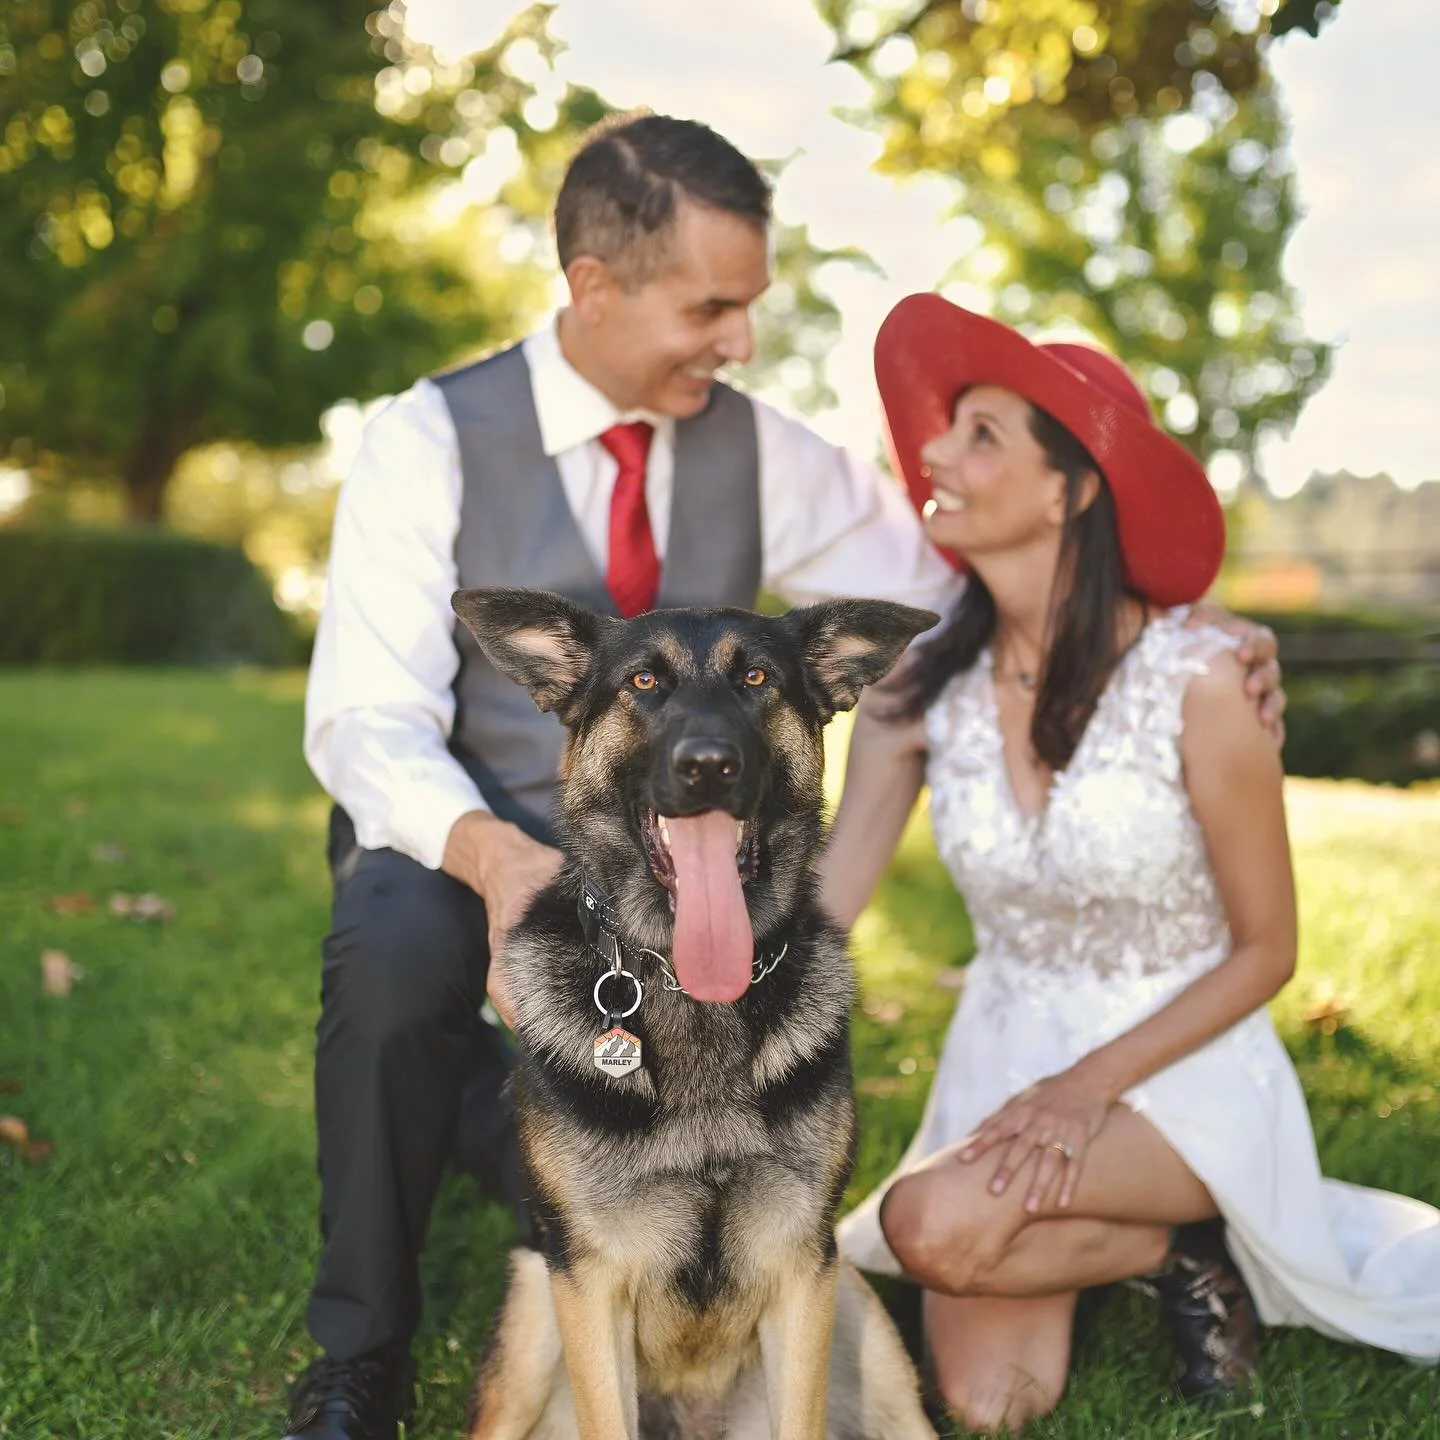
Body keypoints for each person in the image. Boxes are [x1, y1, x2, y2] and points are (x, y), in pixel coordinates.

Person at [290, 115, 1284, 1440]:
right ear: (596, 284)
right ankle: (360, 1353)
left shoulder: (763, 450)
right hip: (478, 837)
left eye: (750, 306)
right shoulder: (429, 439)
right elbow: (367, 721)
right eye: (714, 308)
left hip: (696, 853)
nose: (743, 342)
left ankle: (599, 1178)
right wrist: (490, 856)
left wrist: (1182, 633)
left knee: (958, 1375)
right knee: (393, 944)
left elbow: (956, 584)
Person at [823, 293, 1440, 1435]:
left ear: (1071, 490)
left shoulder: (1202, 679)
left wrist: (1085, 1087)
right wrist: (680, 981)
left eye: (981, 435)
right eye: (946, 431)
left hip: (1182, 1071)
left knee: (927, 1225)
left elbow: (1269, 951)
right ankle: (1181, 1253)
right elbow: (825, 912)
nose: (935, 454)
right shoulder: (914, 693)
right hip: (1004, 1056)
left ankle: (1209, 1219)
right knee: (990, 1402)